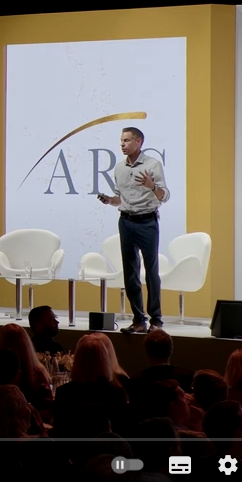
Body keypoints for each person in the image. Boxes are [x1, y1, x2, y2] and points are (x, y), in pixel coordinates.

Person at [96, 127, 170, 333]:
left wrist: (151, 185)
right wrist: (109, 200)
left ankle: (156, 320)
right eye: (121, 140)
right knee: (130, 273)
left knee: (151, 272)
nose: (122, 144)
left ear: (139, 142)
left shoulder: (152, 165)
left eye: (127, 140)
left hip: (147, 222)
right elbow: (119, 199)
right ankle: (138, 320)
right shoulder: (119, 168)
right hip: (126, 221)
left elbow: (164, 196)